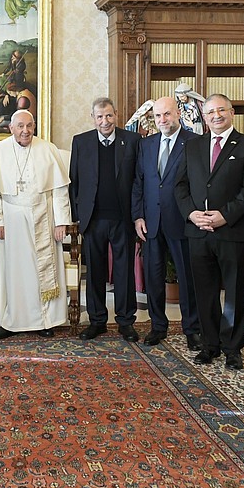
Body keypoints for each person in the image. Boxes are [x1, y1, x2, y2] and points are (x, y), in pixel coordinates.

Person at [174, 94, 244, 369]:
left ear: (232, 112)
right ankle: (210, 344)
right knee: (205, 292)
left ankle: (232, 348)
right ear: (204, 116)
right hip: (198, 232)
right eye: (210, 112)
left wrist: (225, 215)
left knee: (235, 292)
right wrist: (191, 214)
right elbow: (180, 185)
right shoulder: (193, 145)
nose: (216, 116)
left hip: (233, 231)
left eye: (221, 110)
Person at [0, 110, 72, 338]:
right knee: (12, 273)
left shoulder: (48, 149)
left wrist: (61, 222)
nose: (25, 130)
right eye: (20, 126)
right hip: (11, 220)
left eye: (29, 125)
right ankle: (9, 322)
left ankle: (44, 321)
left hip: (44, 217)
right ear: (11, 128)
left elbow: (60, 191)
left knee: (41, 271)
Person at [70, 97, 141, 341]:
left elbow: (138, 180)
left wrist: (137, 214)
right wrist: (77, 218)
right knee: (95, 272)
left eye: (109, 115)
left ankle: (126, 321)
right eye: (99, 116)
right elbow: (74, 182)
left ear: (116, 114)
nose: (105, 121)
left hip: (123, 218)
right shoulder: (81, 142)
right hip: (93, 219)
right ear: (93, 118)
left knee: (124, 272)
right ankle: (97, 320)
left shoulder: (132, 140)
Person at [132, 96, 199, 348]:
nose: (163, 120)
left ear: (178, 113)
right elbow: (139, 182)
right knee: (153, 276)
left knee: (187, 277)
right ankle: (157, 326)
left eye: (167, 114)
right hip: (151, 222)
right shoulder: (146, 144)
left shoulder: (193, 142)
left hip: (181, 221)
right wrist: (138, 216)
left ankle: (192, 329)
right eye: (158, 115)